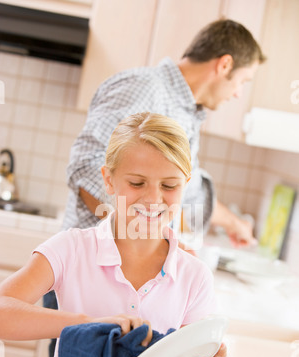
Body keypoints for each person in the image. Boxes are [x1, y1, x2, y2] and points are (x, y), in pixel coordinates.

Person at [0, 113, 226, 357]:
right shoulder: (72, 248)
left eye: (169, 185)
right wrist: (88, 325)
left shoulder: (193, 276)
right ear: (108, 180)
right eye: (137, 183)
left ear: (186, 184)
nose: (152, 199)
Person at [63, 18, 266, 246]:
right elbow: (86, 168)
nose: (238, 93)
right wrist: (151, 242)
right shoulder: (146, 89)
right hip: (92, 261)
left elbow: (189, 193)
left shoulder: (185, 111)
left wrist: (234, 223)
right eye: (242, 81)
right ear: (225, 65)